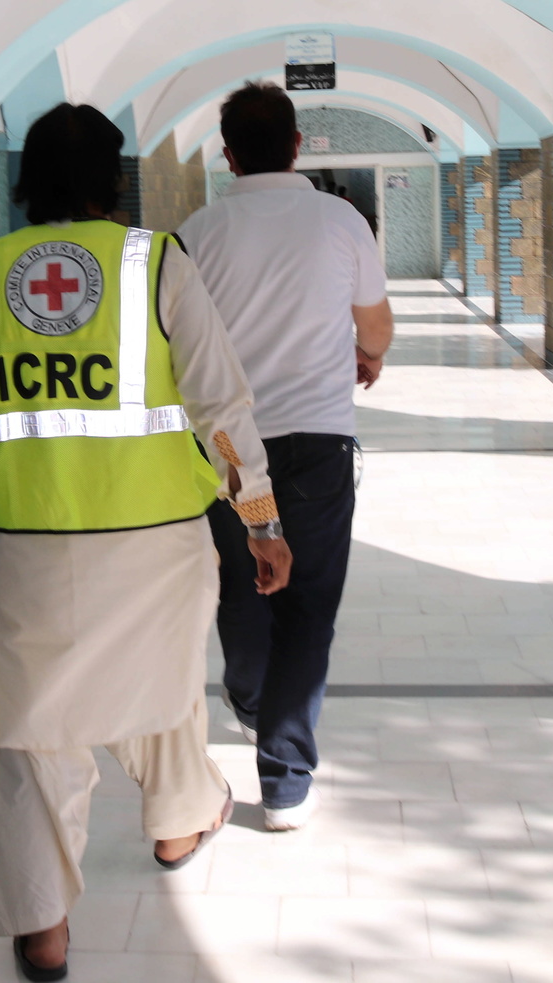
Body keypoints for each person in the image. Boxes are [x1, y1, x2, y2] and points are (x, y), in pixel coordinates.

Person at [0, 102, 292, 981]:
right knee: (161, 680)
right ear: (110, 180)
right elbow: (219, 402)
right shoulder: (154, 262)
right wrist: (261, 519)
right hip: (156, 542)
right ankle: (179, 822)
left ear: (26, 180)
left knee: (23, 722)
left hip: (26, 543)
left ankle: (43, 925)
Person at [178, 81, 393, 831]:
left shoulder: (197, 232)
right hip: (319, 440)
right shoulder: (341, 220)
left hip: (227, 449)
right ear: (297, 145)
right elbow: (375, 324)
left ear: (228, 153)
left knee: (242, 590)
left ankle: (248, 699)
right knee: (310, 606)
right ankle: (286, 781)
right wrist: (368, 355)